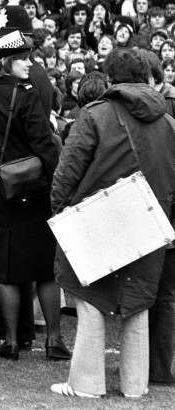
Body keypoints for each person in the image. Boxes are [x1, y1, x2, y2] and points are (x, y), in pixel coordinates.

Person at [50, 48, 175, 398]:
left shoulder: (94, 115)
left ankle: (87, 384)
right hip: (150, 221)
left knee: (91, 300)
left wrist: (61, 213)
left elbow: (66, 173)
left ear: (110, 79)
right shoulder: (168, 122)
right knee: (138, 304)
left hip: (97, 217)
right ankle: (136, 386)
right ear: (147, 77)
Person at [0, 30, 69, 361]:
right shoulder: (25, 96)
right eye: (23, 59)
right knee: (44, 269)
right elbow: (45, 146)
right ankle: (53, 340)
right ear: (6, 63)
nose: (29, 64)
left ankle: (10, 342)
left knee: (6, 270)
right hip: (34, 192)